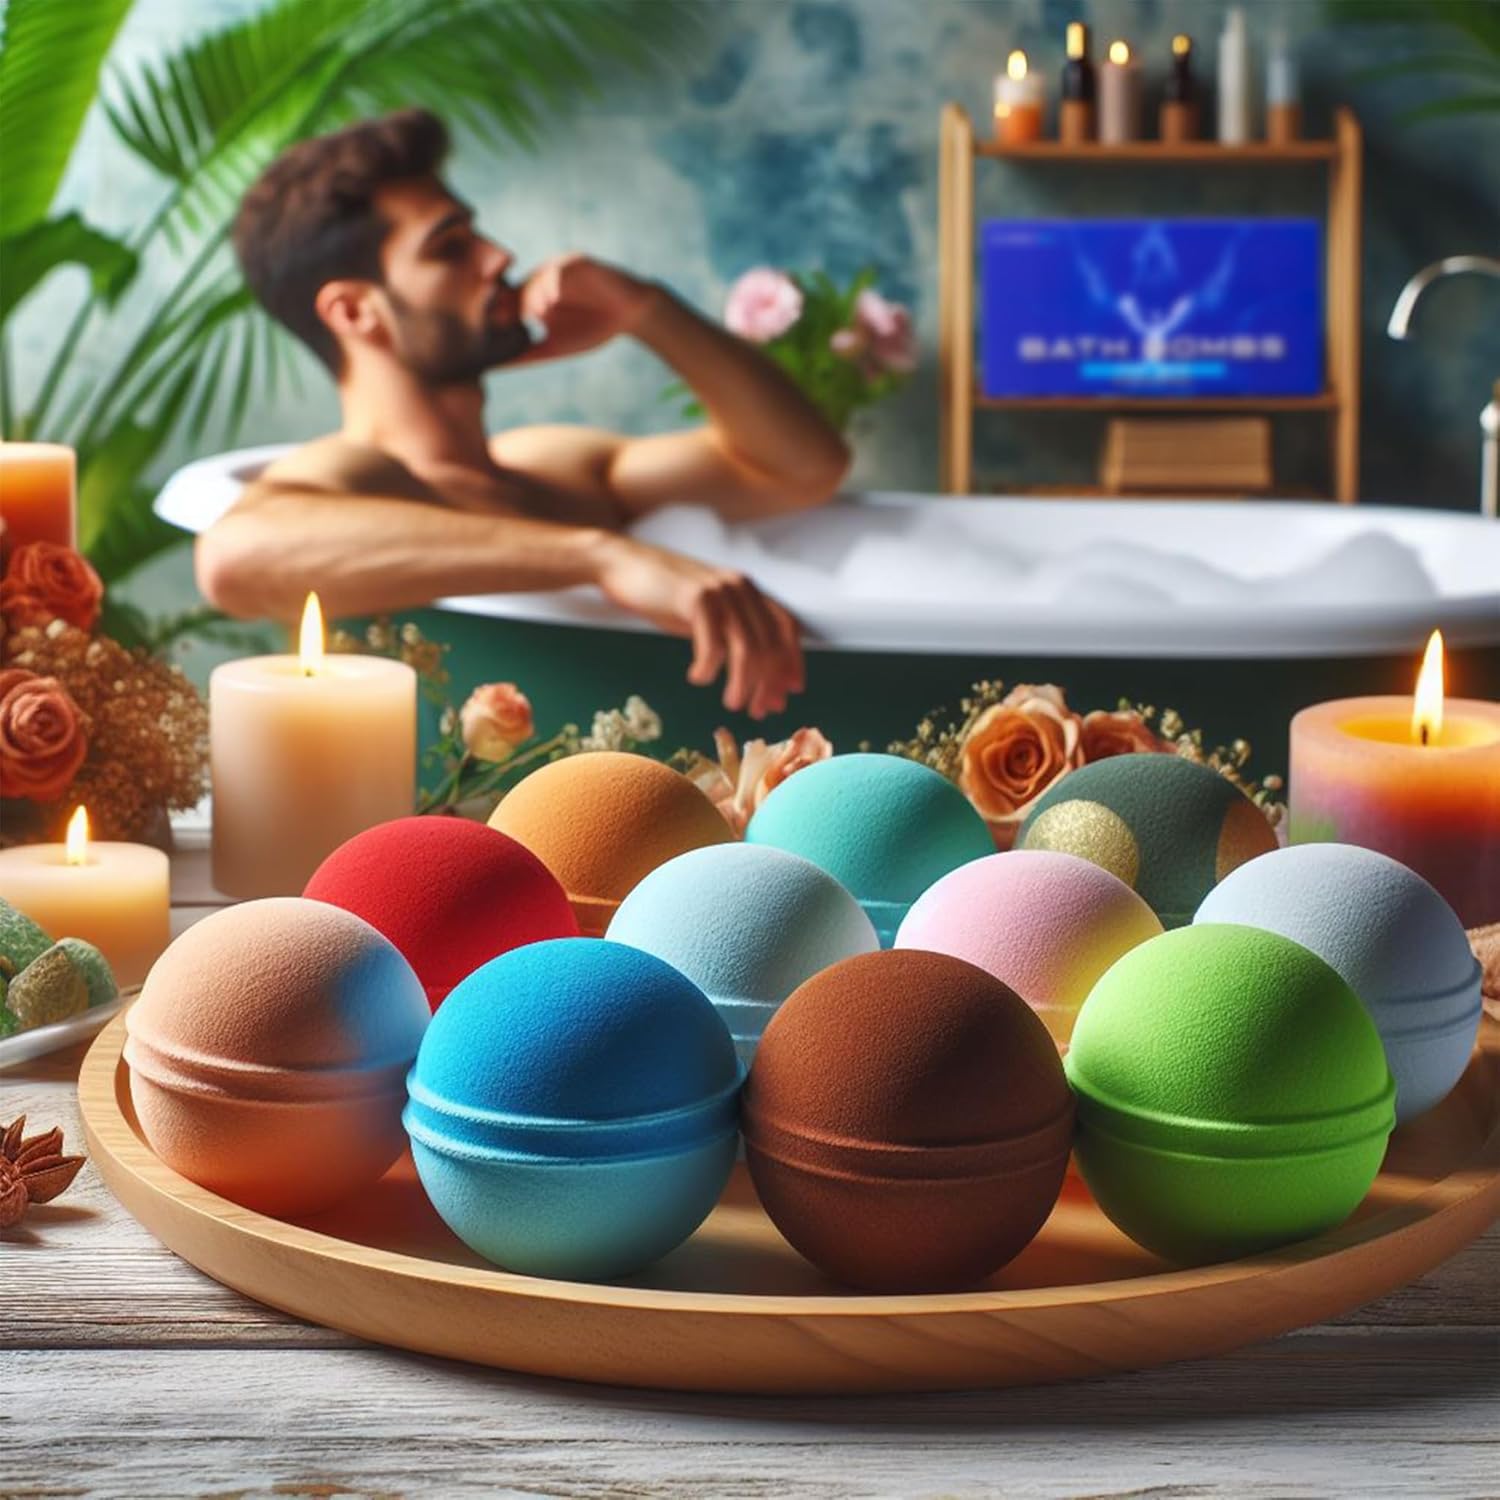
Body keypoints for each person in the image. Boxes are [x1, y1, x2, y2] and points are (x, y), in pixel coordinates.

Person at [196, 110, 851, 719]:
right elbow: (233, 557)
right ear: (354, 312)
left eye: (474, 232)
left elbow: (804, 467)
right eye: (450, 248)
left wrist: (647, 311)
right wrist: (603, 556)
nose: (499, 257)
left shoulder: (554, 465)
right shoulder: (353, 473)